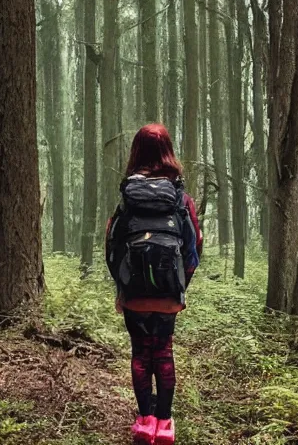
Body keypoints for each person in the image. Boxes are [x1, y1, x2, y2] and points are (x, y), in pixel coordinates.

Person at [105, 124, 203, 445]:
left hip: (134, 295)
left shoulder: (128, 196)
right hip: (168, 296)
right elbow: (193, 248)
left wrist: (122, 289)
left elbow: (113, 246)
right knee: (163, 352)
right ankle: (165, 424)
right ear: (168, 151)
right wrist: (179, 286)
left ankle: (144, 422)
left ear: (136, 151)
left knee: (139, 353)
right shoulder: (180, 197)